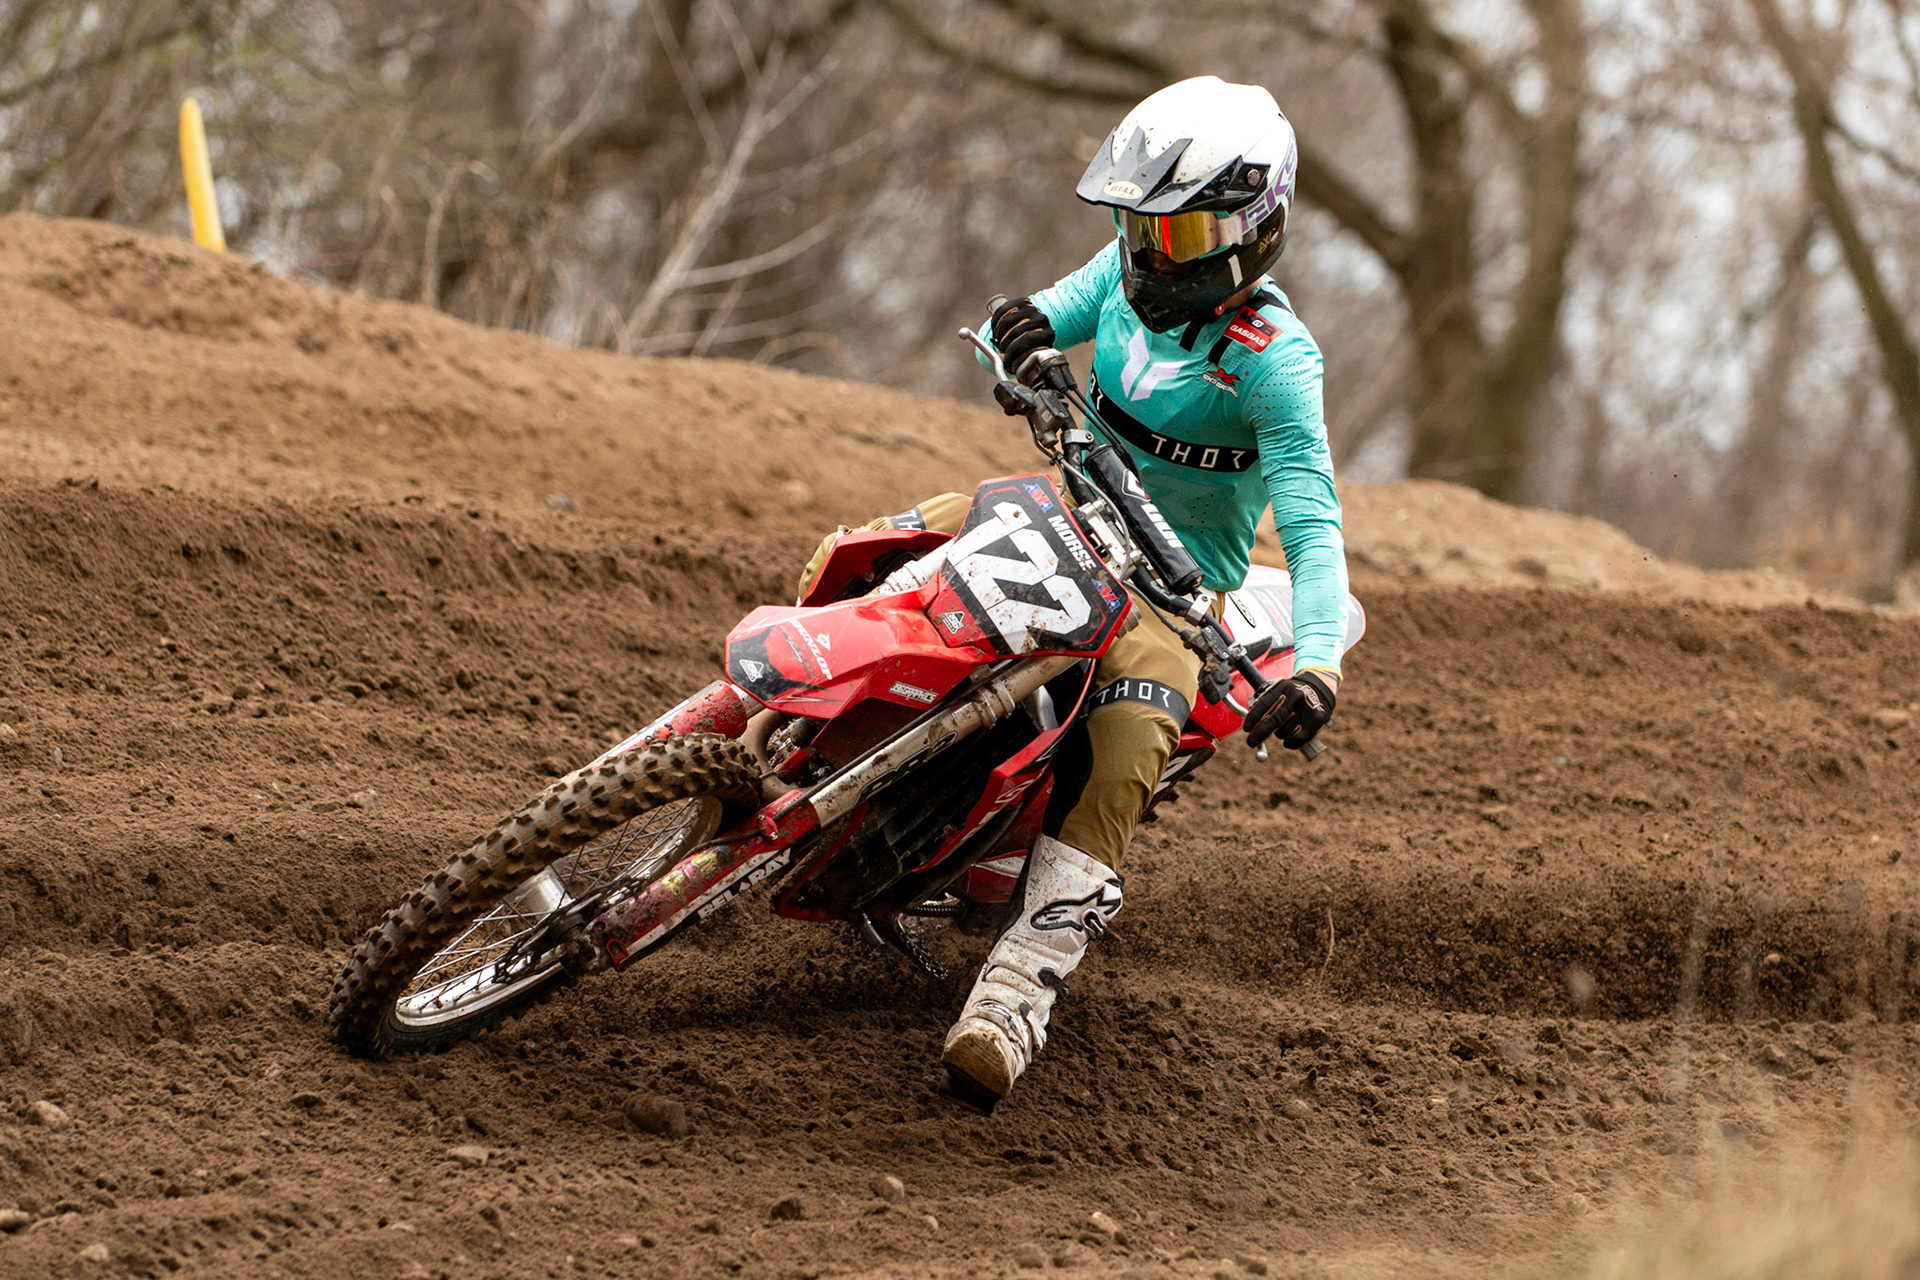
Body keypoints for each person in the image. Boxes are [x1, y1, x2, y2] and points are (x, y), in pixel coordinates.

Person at [796, 76, 1350, 1110]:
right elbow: (1029, 323)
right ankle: (775, 750)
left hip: (1168, 592)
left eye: (1181, 235)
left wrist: (1318, 666)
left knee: (1131, 742)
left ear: (1255, 231)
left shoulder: (1277, 366)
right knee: (863, 554)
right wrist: (1017, 332)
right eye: (1141, 228)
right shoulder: (1125, 273)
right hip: (1056, 510)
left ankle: (1016, 992)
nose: (1151, 257)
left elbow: (1314, 528)